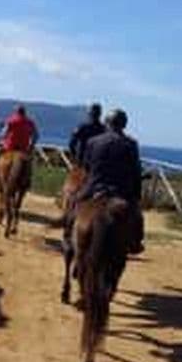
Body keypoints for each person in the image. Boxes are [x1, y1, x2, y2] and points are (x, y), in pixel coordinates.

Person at [75, 108, 144, 254]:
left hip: (94, 188)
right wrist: (137, 197)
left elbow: (87, 168)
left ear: (107, 123)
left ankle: (69, 236)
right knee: (137, 216)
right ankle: (136, 243)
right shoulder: (131, 144)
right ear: (124, 125)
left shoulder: (93, 141)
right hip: (120, 191)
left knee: (73, 206)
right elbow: (136, 172)